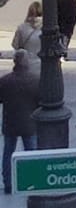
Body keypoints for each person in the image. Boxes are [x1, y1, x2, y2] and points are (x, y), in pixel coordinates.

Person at [0, 49, 39, 194]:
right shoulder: (35, 80)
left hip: (10, 122)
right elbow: (40, 101)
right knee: (31, 153)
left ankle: (8, 183)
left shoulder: (5, 80)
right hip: (29, 123)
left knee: (8, 152)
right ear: (27, 62)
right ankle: (32, 180)